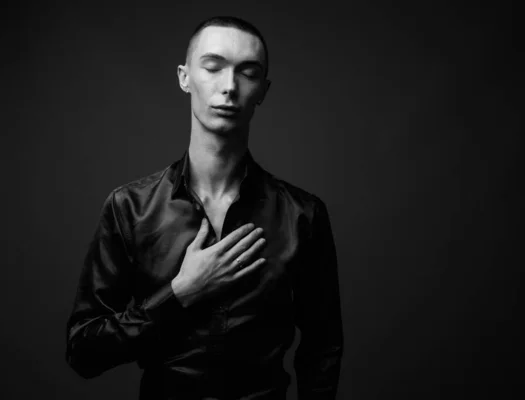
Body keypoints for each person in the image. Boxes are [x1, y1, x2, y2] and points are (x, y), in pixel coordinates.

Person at [65, 16, 344, 400]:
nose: (229, 87)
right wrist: (178, 294)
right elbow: (83, 352)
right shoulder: (129, 208)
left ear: (263, 89)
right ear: (184, 77)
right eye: (213, 67)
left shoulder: (303, 215)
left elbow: (322, 348)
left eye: (248, 73)